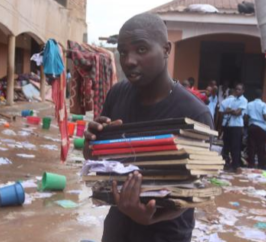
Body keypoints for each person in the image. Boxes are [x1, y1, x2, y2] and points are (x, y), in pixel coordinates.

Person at [84, 13, 213, 242]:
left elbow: (198, 189)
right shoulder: (117, 94)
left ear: (166, 50)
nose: (129, 60)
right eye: (123, 52)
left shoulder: (195, 114)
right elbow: (99, 165)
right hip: (117, 228)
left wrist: (151, 218)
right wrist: (92, 145)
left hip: (166, 234)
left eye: (141, 49)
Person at [222, 84, 248, 171]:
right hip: (229, 125)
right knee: (227, 145)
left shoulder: (244, 100)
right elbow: (224, 111)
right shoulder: (232, 100)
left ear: (243, 91)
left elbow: (238, 113)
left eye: (239, 89)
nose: (237, 91)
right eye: (236, 89)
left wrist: (230, 111)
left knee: (235, 147)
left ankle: (235, 166)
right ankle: (227, 163)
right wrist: (232, 111)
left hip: (237, 126)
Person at [245, 89, 266, 169]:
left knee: (251, 146)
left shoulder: (249, 104)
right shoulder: (264, 105)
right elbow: (265, 116)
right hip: (261, 127)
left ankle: (251, 164)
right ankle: (260, 164)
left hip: (252, 126)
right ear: (261, 96)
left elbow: (246, 116)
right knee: (261, 146)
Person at [218, 89, 235, 167]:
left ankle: (225, 159)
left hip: (225, 124)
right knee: (233, 143)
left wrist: (220, 128)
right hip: (235, 125)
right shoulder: (237, 102)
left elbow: (221, 115)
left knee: (226, 143)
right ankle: (233, 161)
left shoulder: (224, 101)